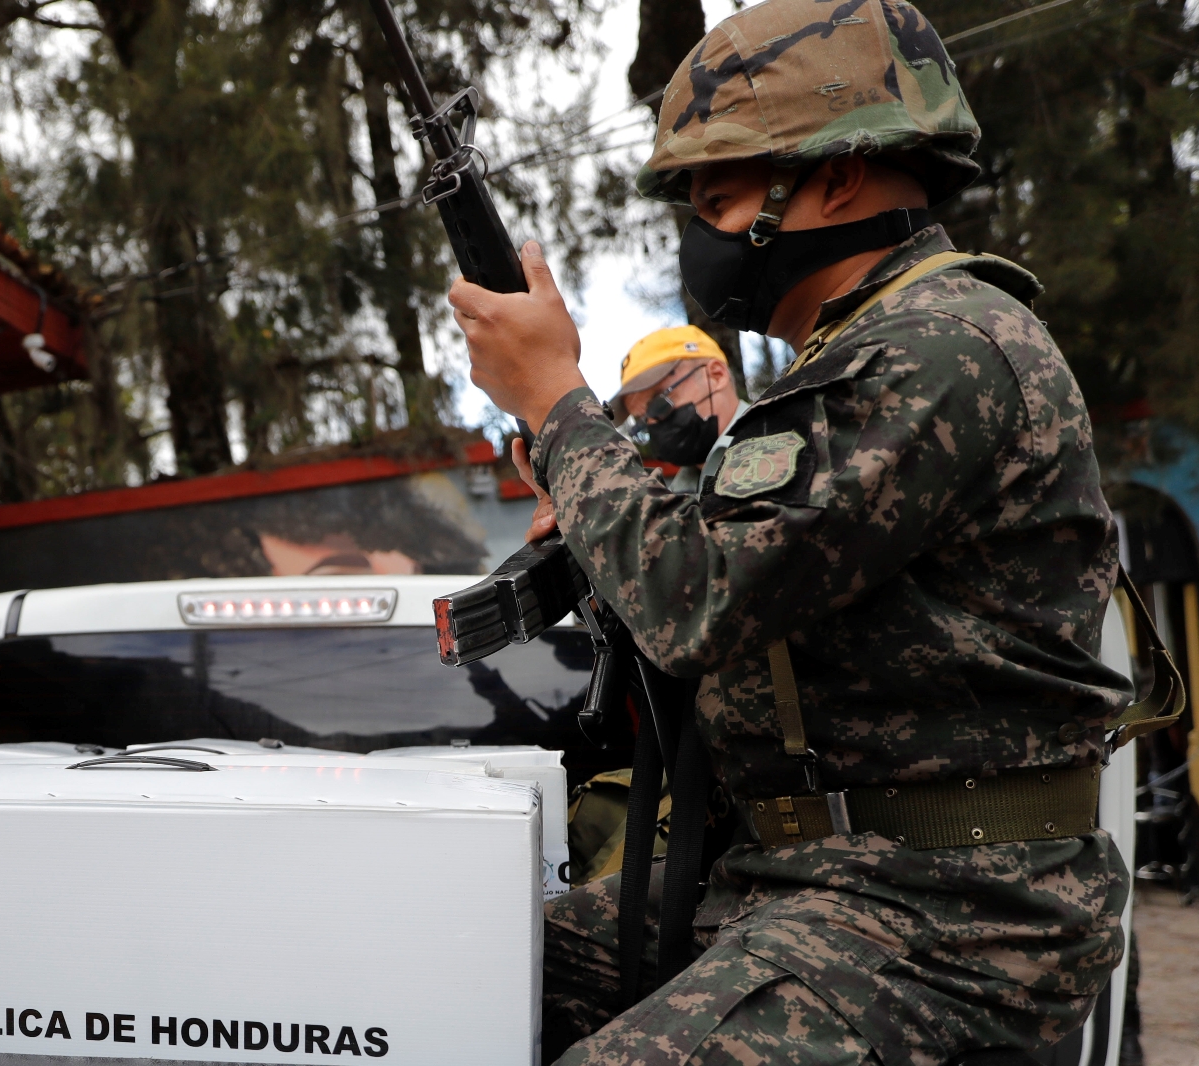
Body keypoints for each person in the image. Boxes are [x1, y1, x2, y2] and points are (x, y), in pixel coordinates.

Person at [447, 0, 1135, 1062]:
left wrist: (552, 397)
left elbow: (696, 595)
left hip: (951, 914)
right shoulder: (853, 357)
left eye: (715, 195)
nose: (694, 231)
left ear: (836, 175)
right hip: (799, 883)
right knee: (434, 970)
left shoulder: (940, 345)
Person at [609, 326, 746, 493]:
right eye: (641, 421)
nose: (653, 423)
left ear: (716, 375)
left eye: (660, 403)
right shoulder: (674, 500)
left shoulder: (782, 441)